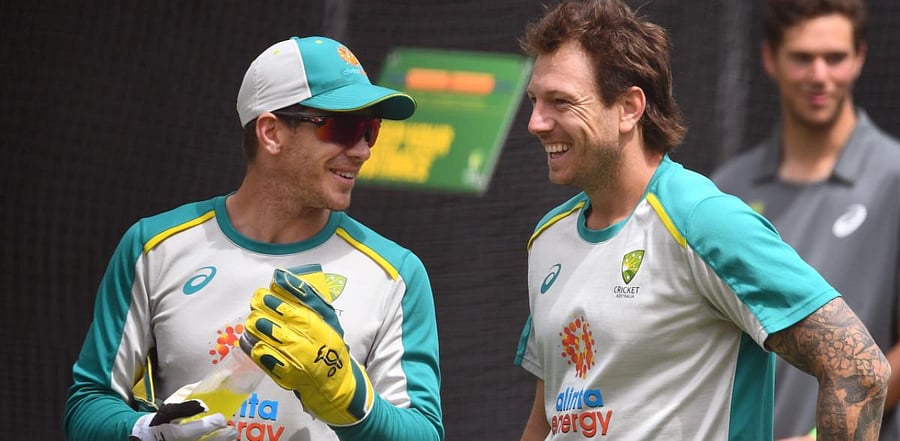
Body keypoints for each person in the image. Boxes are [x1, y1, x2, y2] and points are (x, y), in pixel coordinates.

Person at [512, 0, 890, 439]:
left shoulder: (704, 221)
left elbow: (860, 369)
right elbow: (551, 414)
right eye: (535, 101)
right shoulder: (547, 237)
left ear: (630, 108)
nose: (536, 123)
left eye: (561, 102)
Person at [63, 36, 444, 441]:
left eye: (371, 130)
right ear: (271, 133)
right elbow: (88, 402)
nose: (362, 150)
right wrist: (148, 434)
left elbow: (423, 432)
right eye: (345, 127)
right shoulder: (153, 246)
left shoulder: (396, 273)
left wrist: (351, 398)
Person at [711, 0, 900, 439]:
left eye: (834, 58)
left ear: (860, 58)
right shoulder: (725, 190)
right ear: (769, 59)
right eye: (802, 58)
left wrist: (823, 436)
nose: (819, 75)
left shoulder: (895, 176)